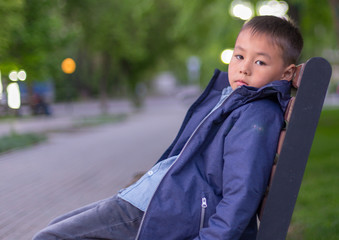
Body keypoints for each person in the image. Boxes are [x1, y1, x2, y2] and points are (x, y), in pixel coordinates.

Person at [33, 15, 303, 240]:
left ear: (287, 73)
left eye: (259, 62)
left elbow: (242, 193)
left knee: (50, 237)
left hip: (164, 210)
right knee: (56, 226)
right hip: (154, 198)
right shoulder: (234, 99)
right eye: (239, 56)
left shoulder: (255, 114)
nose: (243, 69)